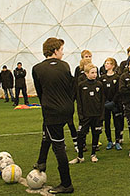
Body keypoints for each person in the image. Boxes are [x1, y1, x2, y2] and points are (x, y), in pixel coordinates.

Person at [32, 37, 74, 194]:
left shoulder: (37, 69)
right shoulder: (65, 66)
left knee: (58, 146)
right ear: (55, 50)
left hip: (52, 111)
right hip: (67, 110)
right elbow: (70, 87)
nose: (63, 53)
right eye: (61, 49)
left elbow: (40, 92)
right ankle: (41, 161)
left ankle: (66, 184)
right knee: (48, 131)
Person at [70, 63, 104, 164]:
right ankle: (80, 156)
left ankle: (93, 154)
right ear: (86, 73)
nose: (94, 75)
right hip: (85, 116)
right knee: (80, 135)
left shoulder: (99, 85)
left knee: (95, 134)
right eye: (92, 72)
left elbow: (102, 101)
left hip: (96, 115)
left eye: (95, 72)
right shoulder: (81, 85)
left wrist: (101, 115)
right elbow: (79, 101)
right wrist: (81, 114)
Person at [100, 58, 124, 150]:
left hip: (116, 104)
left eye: (108, 63)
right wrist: (106, 102)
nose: (106, 65)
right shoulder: (102, 78)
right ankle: (109, 141)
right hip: (106, 105)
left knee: (117, 122)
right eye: (105, 63)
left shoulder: (117, 78)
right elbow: (101, 92)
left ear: (113, 66)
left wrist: (114, 102)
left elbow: (118, 91)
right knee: (107, 123)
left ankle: (117, 141)